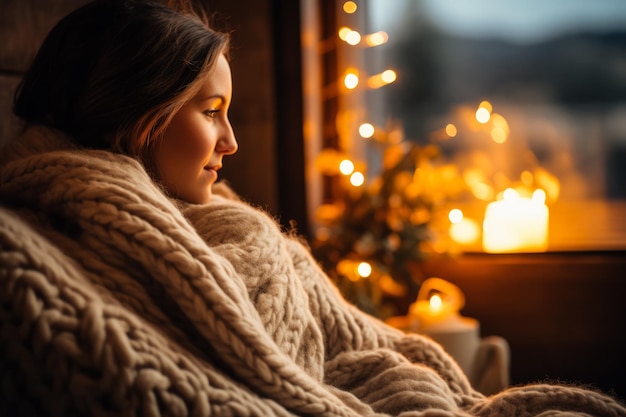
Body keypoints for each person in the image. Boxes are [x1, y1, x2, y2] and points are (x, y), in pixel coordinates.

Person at [0, 1, 624, 416]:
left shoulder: (220, 211)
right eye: (210, 111)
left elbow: (349, 336)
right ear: (135, 112)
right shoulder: (35, 246)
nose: (232, 141)